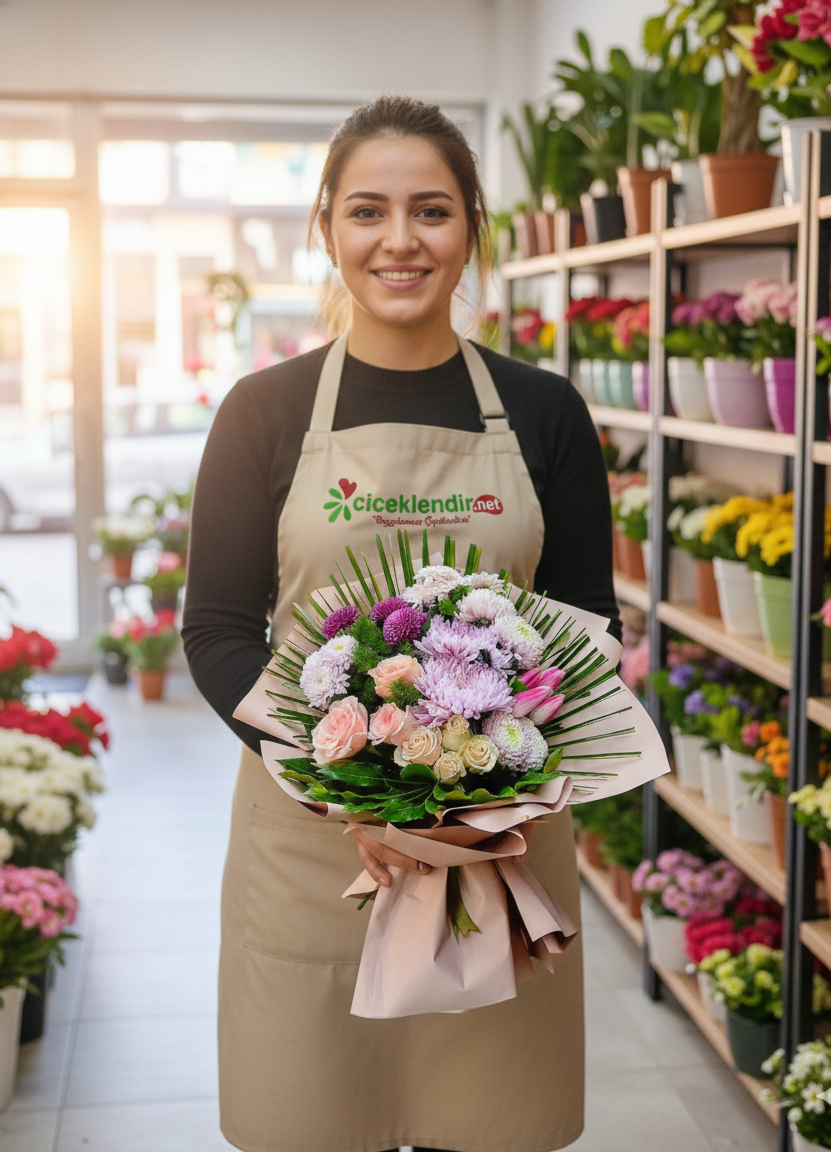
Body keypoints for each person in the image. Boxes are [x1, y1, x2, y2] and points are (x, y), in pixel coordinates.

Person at [183, 95, 620, 1152]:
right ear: (326, 228)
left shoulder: (545, 410)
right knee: (311, 1120)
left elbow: (584, 630)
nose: (398, 240)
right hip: (315, 850)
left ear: (469, 228)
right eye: (367, 211)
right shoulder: (264, 409)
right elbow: (220, 631)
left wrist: (463, 805)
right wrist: (357, 793)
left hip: (501, 850)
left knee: (491, 1125)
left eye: (430, 210)